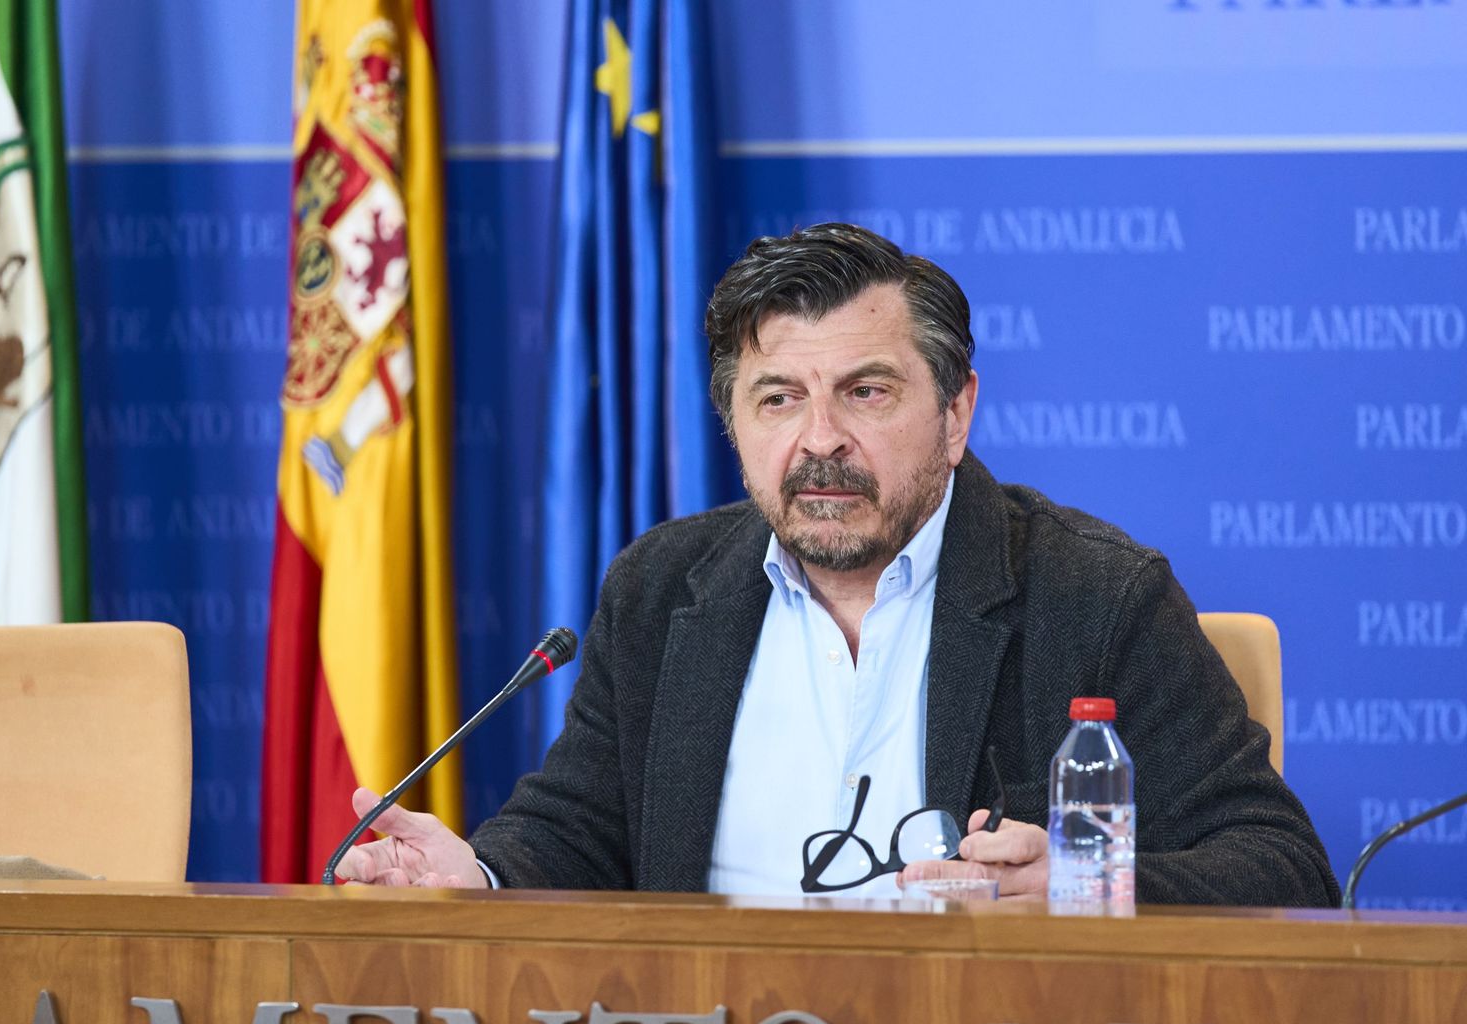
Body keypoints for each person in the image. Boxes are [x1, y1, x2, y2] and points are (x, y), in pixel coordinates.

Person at [336, 223, 1340, 906]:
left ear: (956, 413)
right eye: (777, 398)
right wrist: (483, 876)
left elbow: (1280, 867)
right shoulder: (660, 590)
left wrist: (1083, 885)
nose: (818, 440)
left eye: (865, 392)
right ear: (734, 422)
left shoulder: (1094, 595)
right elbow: (581, 829)